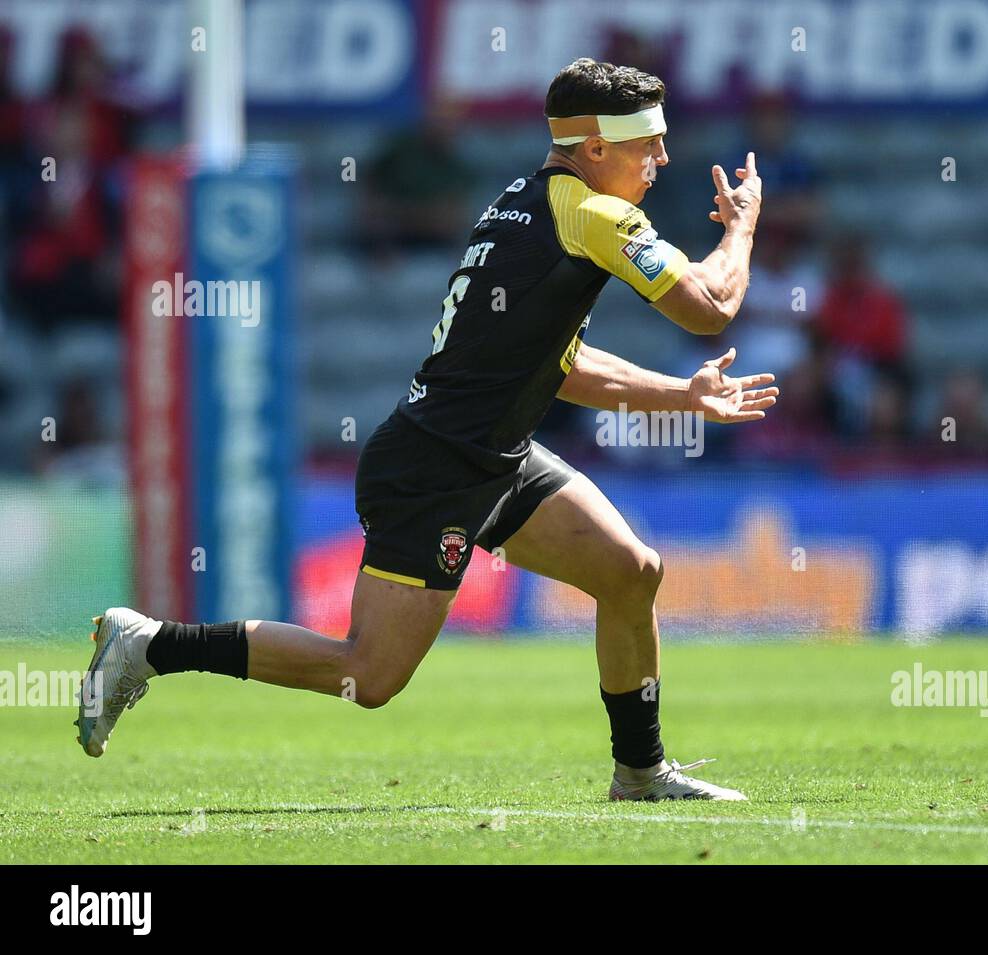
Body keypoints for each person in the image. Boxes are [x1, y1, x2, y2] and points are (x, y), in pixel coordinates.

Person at [79, 59, 777, 802]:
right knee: (367, 675)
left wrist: (685, 395)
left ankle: (641, 771)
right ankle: (151, 643)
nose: (661, 160)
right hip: (435, 466)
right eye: (649, 143)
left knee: (631, 571)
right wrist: (742, 229)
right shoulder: (595, 216)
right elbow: (709, 304)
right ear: (596, 147)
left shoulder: (527, 206)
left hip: (492, 455)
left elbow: (561, 369)